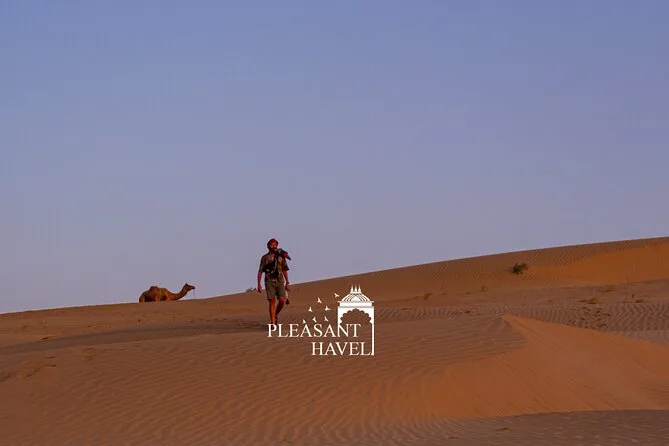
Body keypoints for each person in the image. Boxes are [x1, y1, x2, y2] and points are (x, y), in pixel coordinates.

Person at [257, 238, 291, 324]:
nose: (273, 246)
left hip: (280, 281)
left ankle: (275, 315)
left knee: (282, 300)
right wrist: (259, 284)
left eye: (275, 244)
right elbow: (260, 271)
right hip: (269, 281)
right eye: (271, 244)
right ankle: (272, 322)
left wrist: (287, 282)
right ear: (268, 246)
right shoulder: (264, 257)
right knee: (272, 302)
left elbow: (284, 269)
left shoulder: (281, 256)